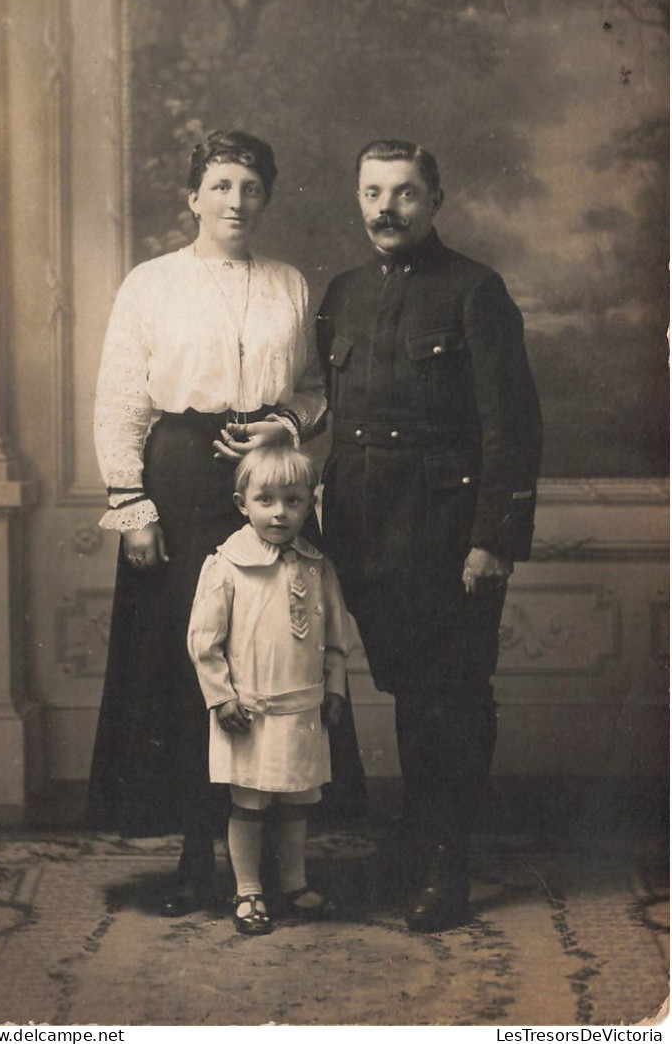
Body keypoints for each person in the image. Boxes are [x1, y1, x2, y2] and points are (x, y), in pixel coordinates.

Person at [88, 130, 356, 917]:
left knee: (271, 646)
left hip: (265, 472)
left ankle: (273, 851)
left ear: (264, 198)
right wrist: (131, 503)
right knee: (191, 654)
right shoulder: (151, 283)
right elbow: (120, 397)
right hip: (177, 470)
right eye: (221, 185)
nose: (236, 201)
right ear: (193, 197)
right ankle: (192, 853)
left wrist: (282, 423)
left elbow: (311, 390)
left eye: (250, 187)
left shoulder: (287, 284)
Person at [318, 139, 543, 933]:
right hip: (365, 536)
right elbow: (335, 420)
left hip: (449, 538)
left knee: (451, 699)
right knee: (410, 694)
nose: (386, 208)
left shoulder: (476, 292)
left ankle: (446, 864)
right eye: (372, 192)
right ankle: (413, 847)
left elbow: (511, 429)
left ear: (434, 200)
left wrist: (492, 538)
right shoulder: (341, 294)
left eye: (405, 193)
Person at [187, 445, 351, 934]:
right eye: (266, 500)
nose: (280, 512)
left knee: (298, 798)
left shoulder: (318, 566)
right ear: (243, 503)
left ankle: (294, 882)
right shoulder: (226, 565)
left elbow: (337, 640)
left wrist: (335, 690)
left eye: (294, 500)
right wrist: (221, 696)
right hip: (249, 711)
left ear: (309, 503)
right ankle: (248, 890)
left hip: (303, 706)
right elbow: (203, 641)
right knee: (250, 802)